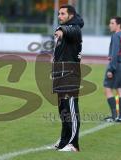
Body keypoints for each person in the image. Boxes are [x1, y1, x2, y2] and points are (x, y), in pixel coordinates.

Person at [52, 5, 84, 152]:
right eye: (59, 13)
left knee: (71, 109)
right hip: (60, 73)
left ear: (70, 15)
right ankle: (64, 141)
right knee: (63, 109)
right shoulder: (65, 27)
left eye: (63, 13)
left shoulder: (74, 28)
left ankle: (73, 144)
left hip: (70, 73)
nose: (59, 16)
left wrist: (62, 30)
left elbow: (71, 30)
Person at [103, 16, 121, 123]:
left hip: (117, 65)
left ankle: (114, 116)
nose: (109, 25)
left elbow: (114, 54)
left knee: (107, 89)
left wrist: (111, 69)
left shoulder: (116, 36)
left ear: (118, 25)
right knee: (120, 89)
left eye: (112, 23)